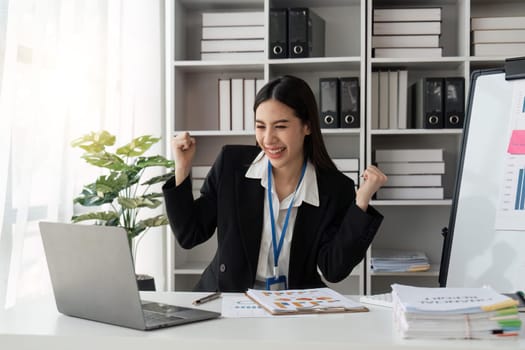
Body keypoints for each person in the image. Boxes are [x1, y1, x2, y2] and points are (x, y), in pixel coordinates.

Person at [163, 75, 387, 292]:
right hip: (229, 298)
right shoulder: (231, 164)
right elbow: (190, 235)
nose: (268, 139)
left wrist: (361, 202)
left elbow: (333, 269)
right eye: (261, 126)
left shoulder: (333, 188)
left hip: (292, 307)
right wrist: (182, 167)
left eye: (280, 126)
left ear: (307, 126)